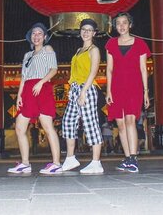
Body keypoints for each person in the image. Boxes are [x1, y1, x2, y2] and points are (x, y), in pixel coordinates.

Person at [7, 22, 62, 175]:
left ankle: (56, 163)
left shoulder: (47, 49)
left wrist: (41, 82)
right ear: (30, 38)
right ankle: (25, 163)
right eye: (33, 34)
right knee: (19, 127)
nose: (36, 36)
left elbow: (54, 69)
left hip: (42, 88)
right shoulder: (27, 55)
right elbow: (23, 77)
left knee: (47, 126)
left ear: (44, 37)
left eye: (39, 33)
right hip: (28, 91)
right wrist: (19, 95)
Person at [105, 12, 151, 173]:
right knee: (120, 124)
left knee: (131, 120)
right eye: (118, 23)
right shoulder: (111, 44)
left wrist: (146, 92)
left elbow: (144, 69)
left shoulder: (140, 44)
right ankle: (127, 157)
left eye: (125, 22)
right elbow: (109, 69)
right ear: (115, 26)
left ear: (130, 25)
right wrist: (108, 90)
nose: (122, 26)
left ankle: (133, 157)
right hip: (117, 87)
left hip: (134, 86)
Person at [61, 18, 104, 175]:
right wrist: (72, 90)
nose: (86, 32)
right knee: (68, 122)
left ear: (94, 33)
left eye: (89, 30)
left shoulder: (94, 50)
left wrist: (84, 91)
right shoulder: (79, 50)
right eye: (83, 29)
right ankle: (71, 158)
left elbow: (93, 72)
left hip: (87, 88)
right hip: (75, 89)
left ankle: (96, 162)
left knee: (90, 123)